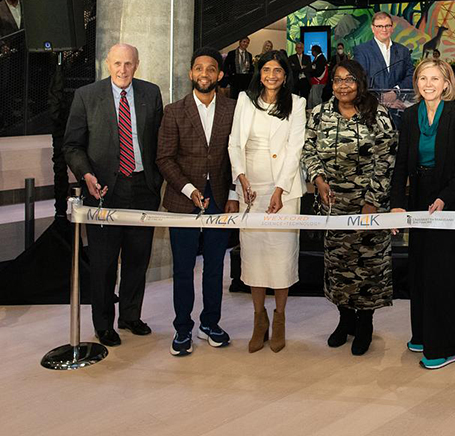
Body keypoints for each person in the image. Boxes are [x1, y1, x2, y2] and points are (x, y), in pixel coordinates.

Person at [63, 43, 163, 347]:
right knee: (104, 262)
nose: (123, 70)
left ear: (137, 65)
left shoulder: (151, 93)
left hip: (143, 190)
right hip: (104, 191)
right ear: (107, 64)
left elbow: (159, 140)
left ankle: (130, 316)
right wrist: (87, 175)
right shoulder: (87, 96)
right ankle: (104, 324)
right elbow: (72, 145)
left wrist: (156, 181)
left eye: (129, 64)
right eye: (117, 63)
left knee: (138, 258)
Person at [303, 59, 397, 356]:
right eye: (338, 80)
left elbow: (386, 161)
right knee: (339, 267)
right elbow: (308, 150)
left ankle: (365, 323)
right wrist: (317, 178)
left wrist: (372, 201)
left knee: (368, 266)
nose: (343, 85)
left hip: (369, 206)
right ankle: (345, 320)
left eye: (349, 80)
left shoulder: (377, 114)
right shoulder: (319, 114)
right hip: (334, 207)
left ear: (360, 83)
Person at [389, 59, 455, 370]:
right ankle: (422, 334)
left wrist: (443, 199)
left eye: (434, 78)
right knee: (420, 271)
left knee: (443, 276)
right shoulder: (410, 116)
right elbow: (400, 165)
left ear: (446, 84)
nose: (428, 84)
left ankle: (447, 346)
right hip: (420, 199)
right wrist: (398, 203)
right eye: (423, 78)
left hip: (449, 201)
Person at [156, 47, 239, 356]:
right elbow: (164, 158)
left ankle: (210, 323)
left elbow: (237, 156)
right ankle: (182, 329)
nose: (205, 74)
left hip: (220, 200)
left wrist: (232, 194)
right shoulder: (173, 111)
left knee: (217, 266)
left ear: (219, 75)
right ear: (191, 73)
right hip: (182, 200)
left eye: (211, 69)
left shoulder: (233, 109)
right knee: (183, 268)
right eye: (199, 68)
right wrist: (189, 188)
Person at [228, 50, 306, 353]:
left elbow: (295, 148)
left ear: (286, 75)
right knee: (255, 258)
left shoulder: (297, 104)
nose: (271, 75)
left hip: (283, 191)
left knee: (282, 258)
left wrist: (279, 191)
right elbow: (235, 142)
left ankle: (280, 316)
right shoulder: (245, 102)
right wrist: (241, 178)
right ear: (259, 73)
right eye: (266, 70)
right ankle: (259, 319)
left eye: (277, 70)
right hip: (251, 189)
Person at [354, 12, 414, 90]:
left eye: (387, 26)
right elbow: (360, 79)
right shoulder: (361, 51)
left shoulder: (403, 51)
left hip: (399, 100)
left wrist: (396, 91)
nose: (384, 29)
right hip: (372, 100)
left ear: (392, 28)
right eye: (379, 26)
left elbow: (411, 76)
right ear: (372, 28)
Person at [307, 44, 328, 109]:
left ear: (315, 51)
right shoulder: (317, 58)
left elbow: (319, 72)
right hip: (315, 82)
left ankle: (318, 113)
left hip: (319, 81)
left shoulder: (321, 58)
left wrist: (310, 73)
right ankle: (310, 111)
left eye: (312, 51)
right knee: (311, 98)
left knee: (316, 99)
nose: (312, 52)